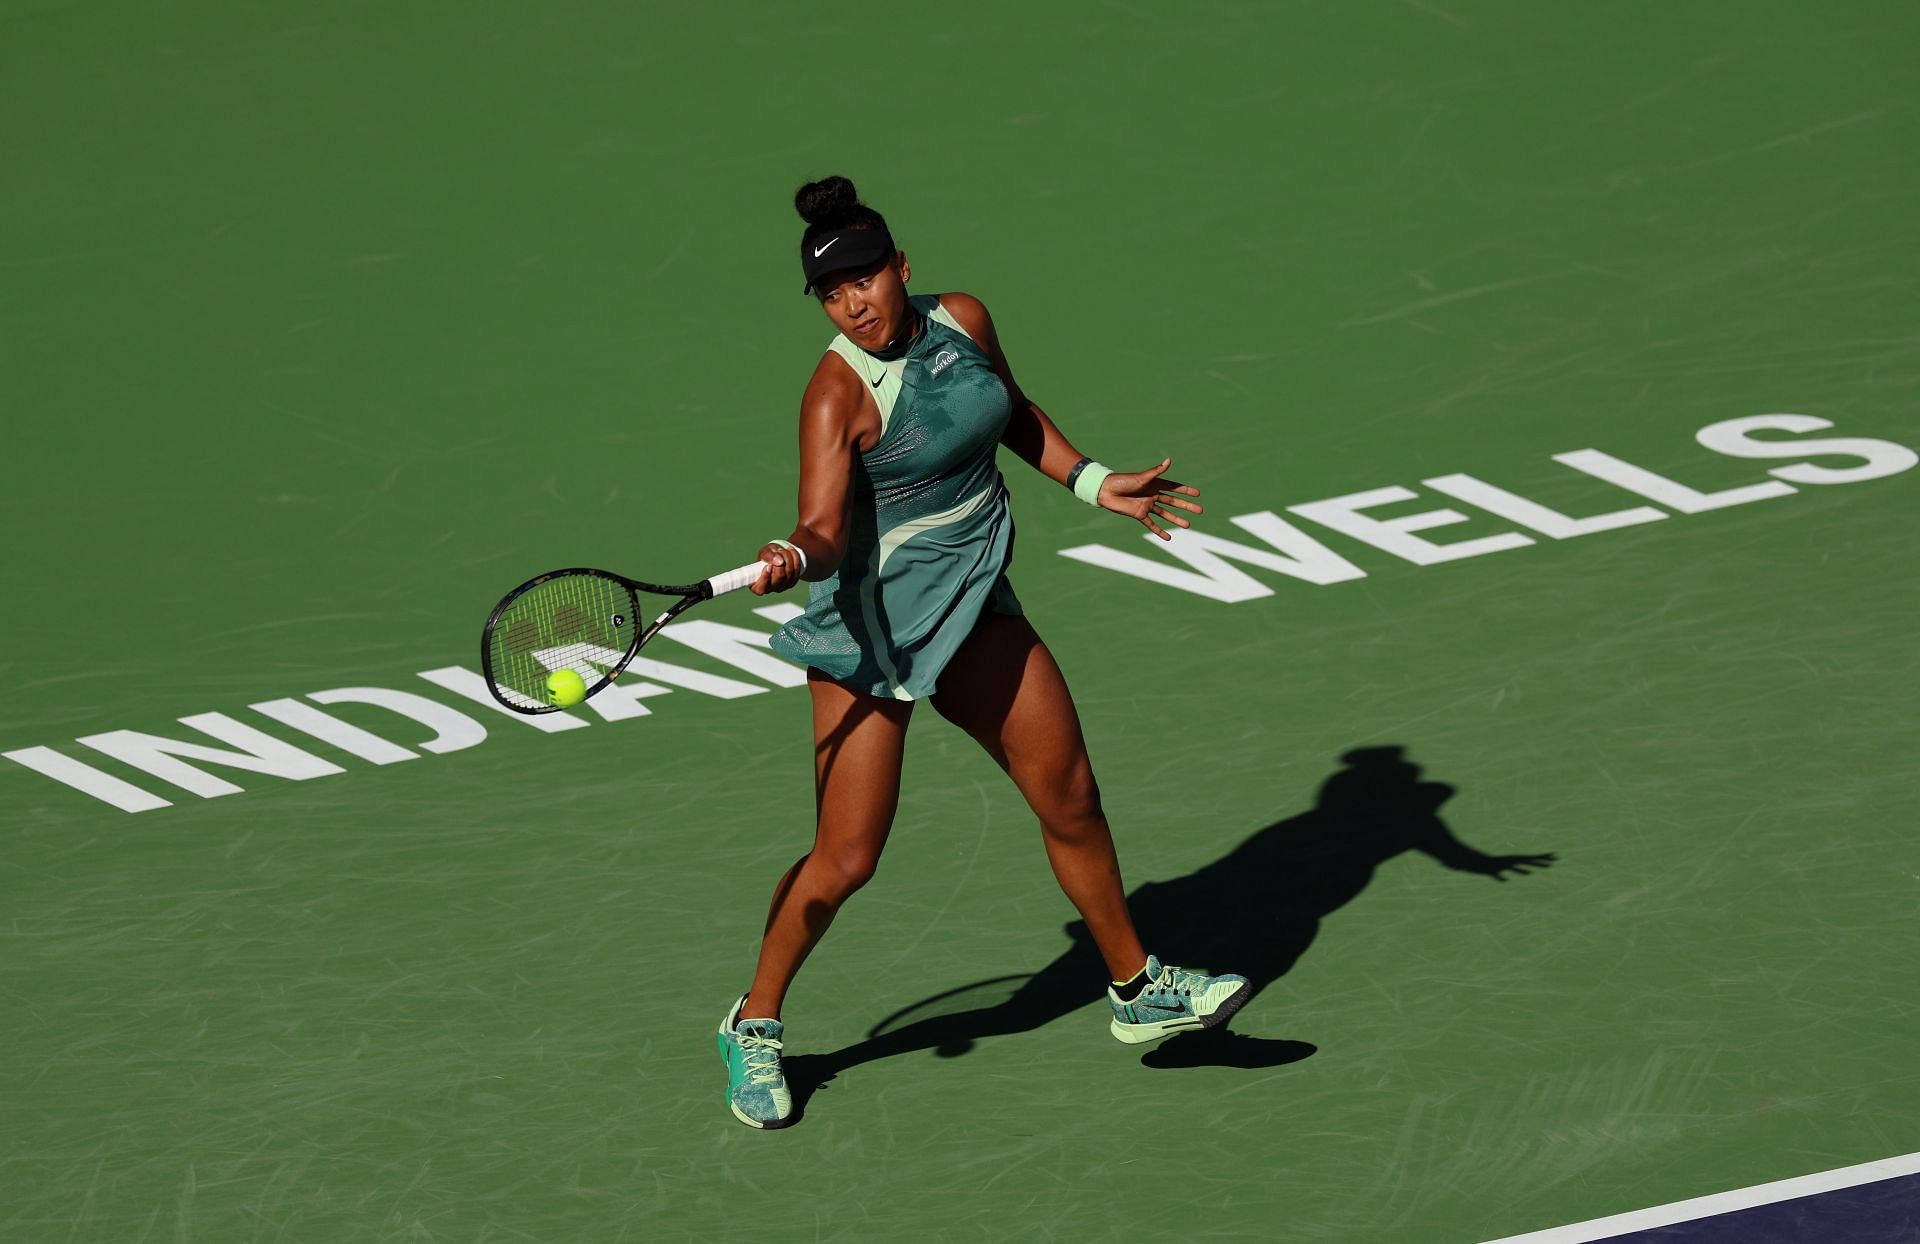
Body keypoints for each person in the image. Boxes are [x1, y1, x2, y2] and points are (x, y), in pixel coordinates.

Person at [715, 175, 1248, 1129]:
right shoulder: (835, 392)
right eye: (834, 295)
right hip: (873, 632)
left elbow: (1010, 411)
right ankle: (754, 1022)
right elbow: (825, 526)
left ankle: (1138, 987)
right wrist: (795, 555)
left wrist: (1091, 482)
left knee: (1070, 795)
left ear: (900, 269)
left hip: (973, 604)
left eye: (866, 280)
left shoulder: (961, 319)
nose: (854, 304)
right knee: (846, 859)